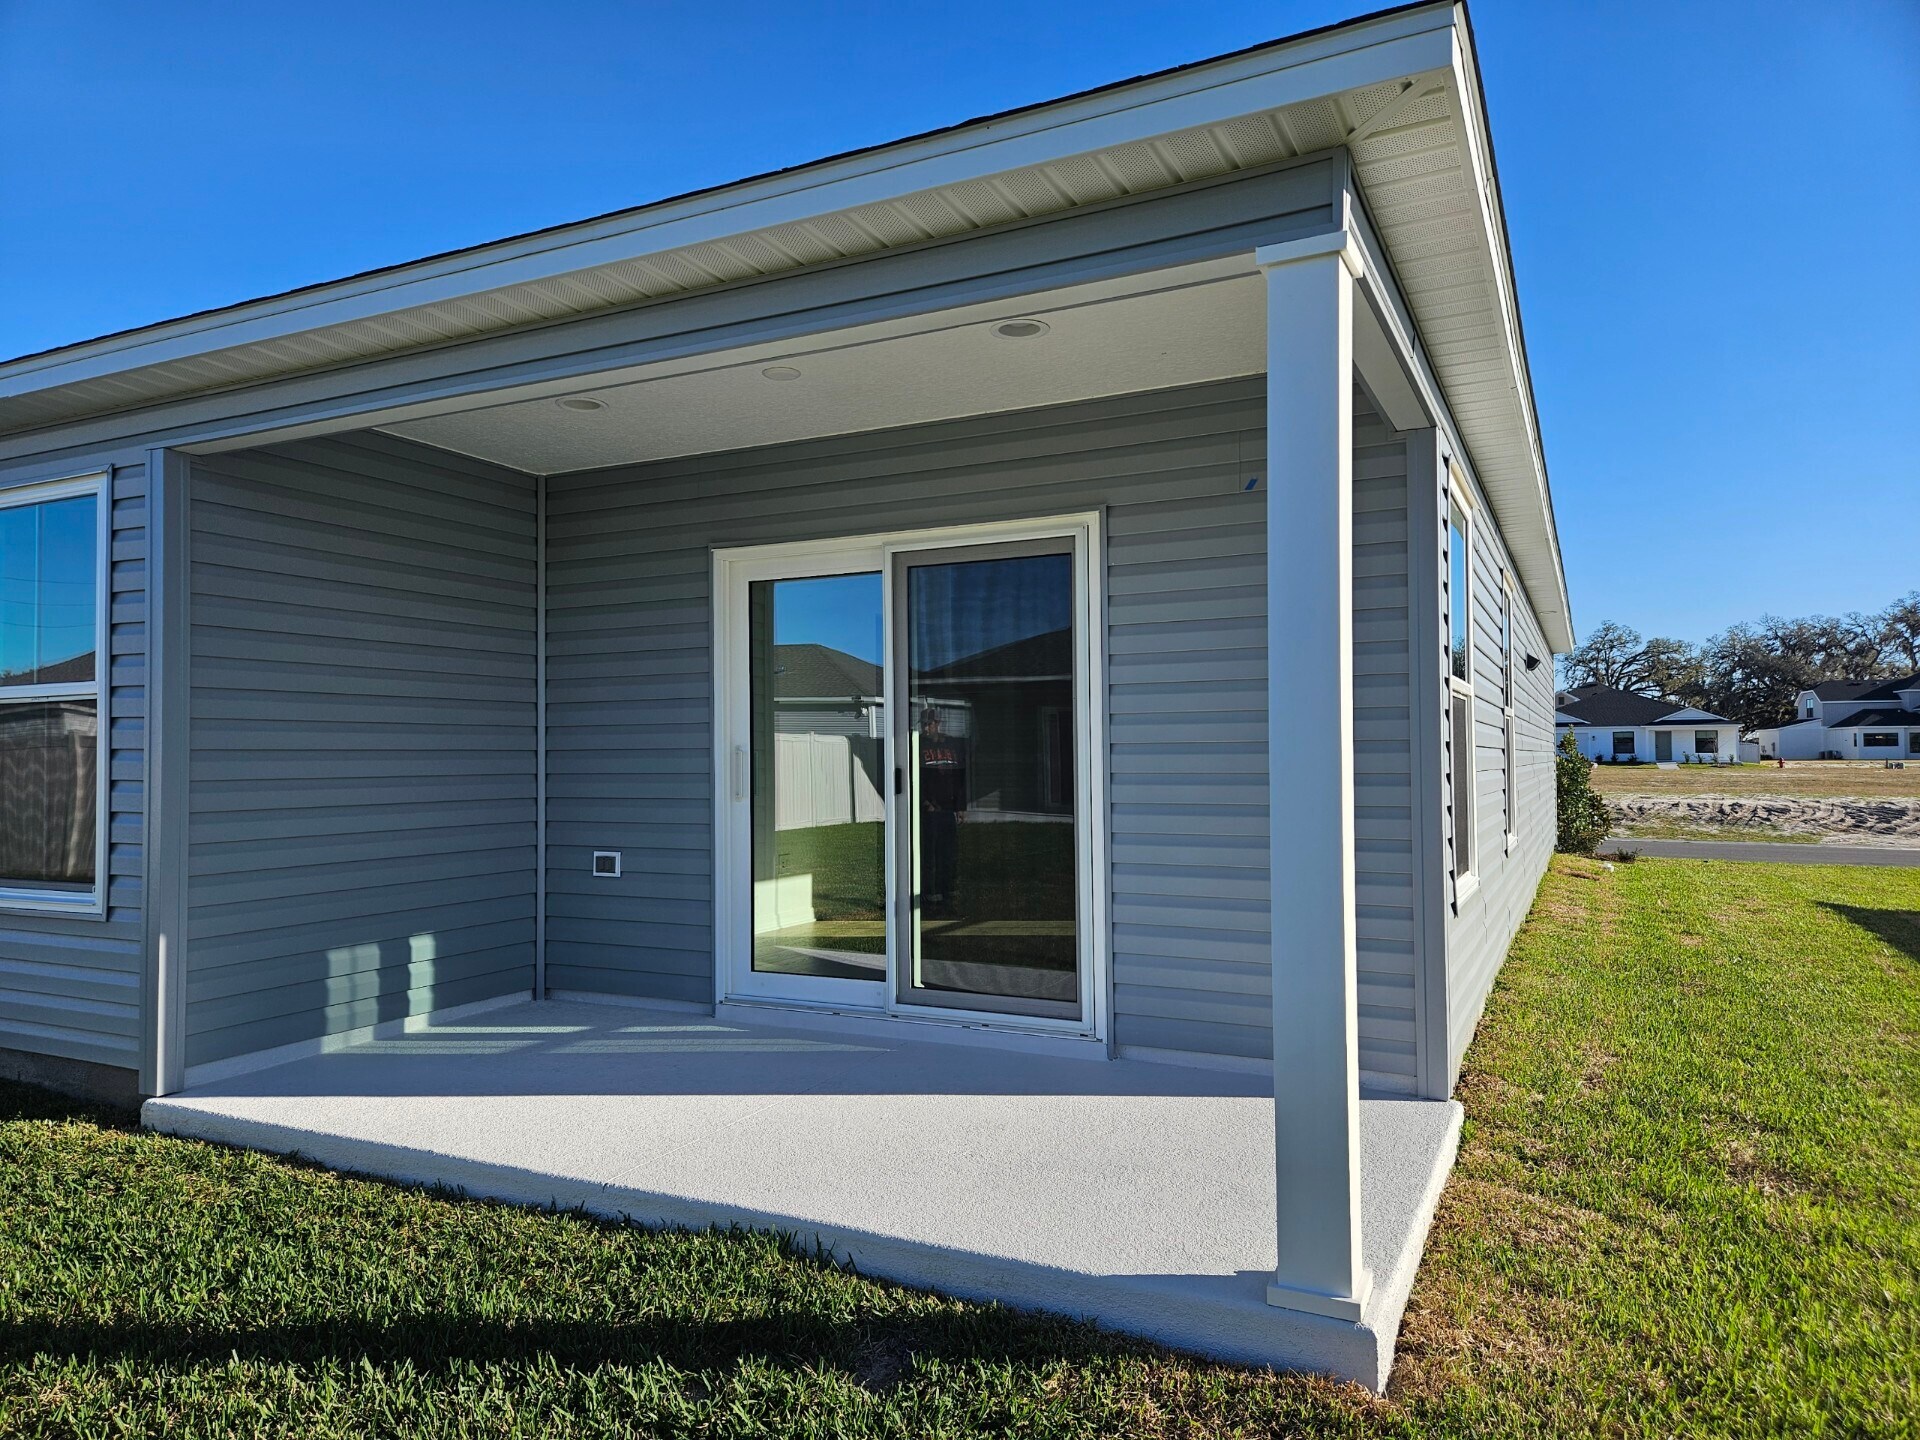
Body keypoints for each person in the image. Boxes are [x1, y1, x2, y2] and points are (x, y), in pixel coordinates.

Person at [917, 705, 967, 914]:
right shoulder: (919, 745)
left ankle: (947, 890)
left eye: (930, 724)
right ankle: (929, 892)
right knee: (929, 853)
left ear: (938, 724)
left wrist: (960, 807)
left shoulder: (952, 745)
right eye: (924, 725)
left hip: (948, 809)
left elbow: (959, 778)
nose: (927, 728)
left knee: (949, 852)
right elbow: (915, 777)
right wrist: (924, 802)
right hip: (930, 809)